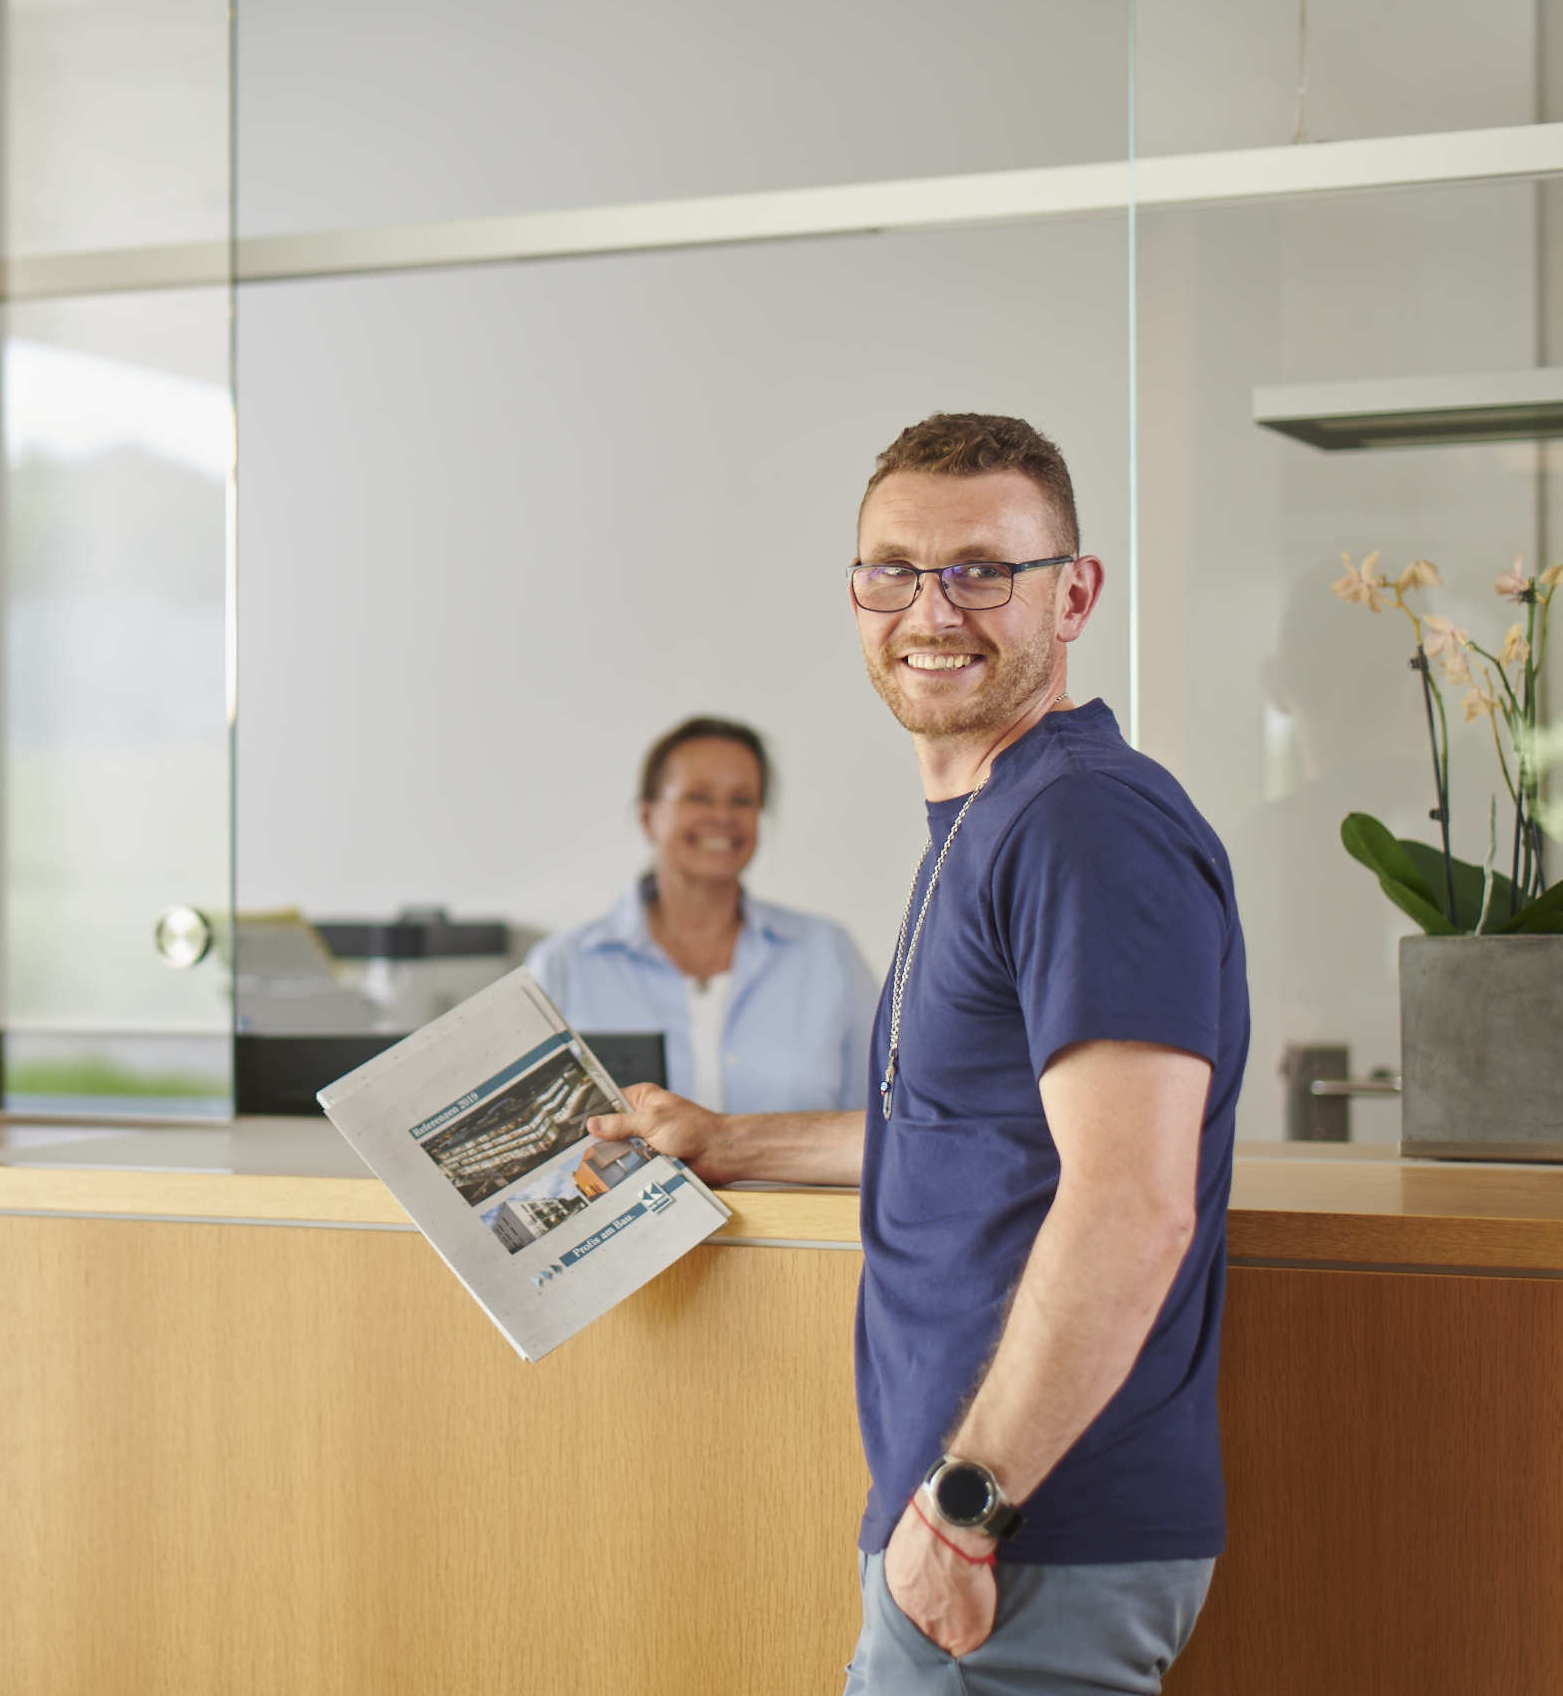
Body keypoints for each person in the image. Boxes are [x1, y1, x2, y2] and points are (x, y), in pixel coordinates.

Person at [592, 413, 1245, 1696]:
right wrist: (728, 1142)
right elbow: (981, 1133)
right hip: (988, 1529)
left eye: (982, 571)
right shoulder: (991, 818)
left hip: (1022, 1535)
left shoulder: (1079, 824)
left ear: (1074, 596)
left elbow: (1131, 1201)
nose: (931, 612)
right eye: (892, 571)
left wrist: (961, 1516)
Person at [527, 717, 876, 1113]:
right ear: (648, 818)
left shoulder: (827, 952)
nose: (722, 815)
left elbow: (884, 1119)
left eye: (742, 800)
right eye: (698, 797)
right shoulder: (563, 967)